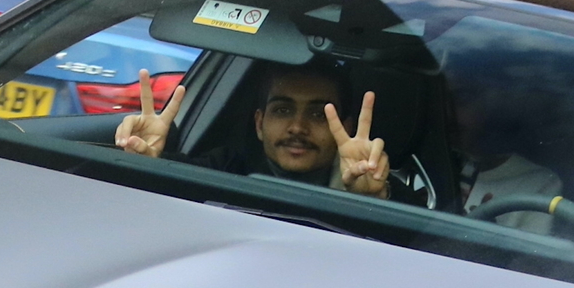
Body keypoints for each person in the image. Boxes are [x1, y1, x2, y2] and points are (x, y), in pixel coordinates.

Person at [114, 65, 393, 198]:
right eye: (282, 110)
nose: (297, 127)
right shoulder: (227, 167)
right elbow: (177, 182)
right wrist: (148, 163)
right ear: (259, 124)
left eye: (319, 114)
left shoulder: (371, 180)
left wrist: (372, 198)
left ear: (344, 128)